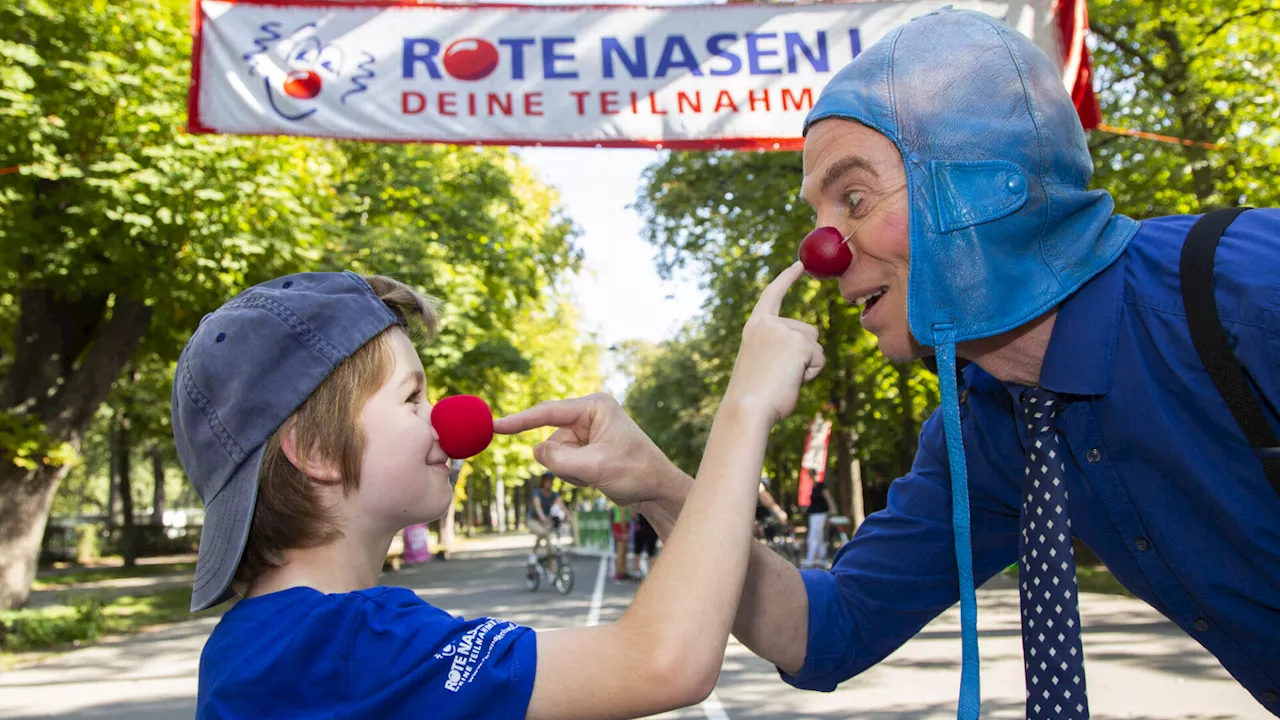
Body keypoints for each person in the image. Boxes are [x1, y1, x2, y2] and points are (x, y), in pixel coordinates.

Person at [502, 9, 1280, 720]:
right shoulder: (983, 429)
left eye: (853, 198)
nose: (820, 253)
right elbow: (826, 629)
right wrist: (661, 487)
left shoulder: (1253, 294)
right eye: (817, 214)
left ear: (978, 188)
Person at [171, 267, 822, 719]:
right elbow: (663, 662)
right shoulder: (341, 645)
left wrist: (653, 481)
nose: (446, 414)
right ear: (314, 452)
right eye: (411, 397)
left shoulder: (257, 644)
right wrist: (747, 405)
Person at [527, 471, 563, 562]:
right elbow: (537, 506)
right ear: (543, 482)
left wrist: (568, 515)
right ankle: (533, 554)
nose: (549, 483)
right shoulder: (537, 493)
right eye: (547, 481)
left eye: (550, 481)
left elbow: (560, 505)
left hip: (546, 521)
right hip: (534, 520)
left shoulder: (554, 494)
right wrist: (542, 517)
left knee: (551, 548)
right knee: (542, 532)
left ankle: (552, 572)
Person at [802, 476, 835, 568]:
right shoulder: (813, 487)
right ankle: (822, 559)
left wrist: (832, 509)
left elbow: (828, 497)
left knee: (814, 536)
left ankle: (810, 559)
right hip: (814, 514)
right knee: (818, 536)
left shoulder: (821, 486)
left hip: (820, 514)